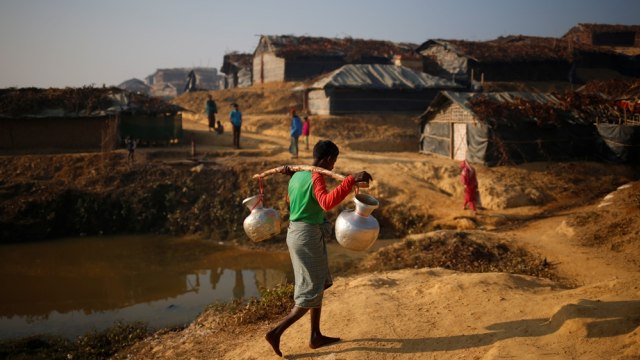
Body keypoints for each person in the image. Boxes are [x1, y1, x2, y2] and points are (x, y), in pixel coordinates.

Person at [265, 140, 373, 357]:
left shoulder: (298, 175)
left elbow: (290, 199)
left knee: (319, 283)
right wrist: (350, 180)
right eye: (334, 161)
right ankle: (276, 333)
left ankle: (315, 335)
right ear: (327, 159)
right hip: (306, 237)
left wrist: (296, 180)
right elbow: (325, 203)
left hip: (300, 233)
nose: (333, 166)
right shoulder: (315, 176)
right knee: (309, 292)